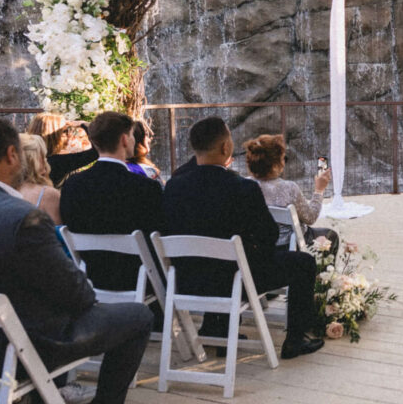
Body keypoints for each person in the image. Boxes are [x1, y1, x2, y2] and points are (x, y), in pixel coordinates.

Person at [0, 117, 151, 404]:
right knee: (137, 317)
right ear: (11, 155)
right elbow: (79, 297)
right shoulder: (23, 217)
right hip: (16, 348)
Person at [161, 115, 323, 359]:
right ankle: (295, 340)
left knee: (219, 260)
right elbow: (268, 236)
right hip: (234, 282)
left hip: (187, 281)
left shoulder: (174, 186)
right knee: (303, 263)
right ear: (225, 147)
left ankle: (217, 328)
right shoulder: (243, 189)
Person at [60, 111, 164, 293]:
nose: (133, 140)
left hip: (92, 278)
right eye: (132, 135)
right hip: (139, 281)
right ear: (125, 140)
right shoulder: (145, 188)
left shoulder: (72, 186)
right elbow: (158, 232)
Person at [244, 133, 336, 250]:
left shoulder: (244, 185)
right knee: (331, 236)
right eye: (283, 158)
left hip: (257, 245)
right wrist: (319, 190)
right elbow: (310, 218)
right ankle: (320, 268)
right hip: (288, 245)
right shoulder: (289, 188)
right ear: (276, 164)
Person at [27, 113, 98, 186]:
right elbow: (97, 151)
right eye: (65, 131)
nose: (69, 135)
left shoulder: (27, 156)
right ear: (55, 137)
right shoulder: (59, 162)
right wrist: (83, 124)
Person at [17, 133, 61, 223]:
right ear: (34, 160)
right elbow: (58, 230)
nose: (46, 161)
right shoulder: (47, 195)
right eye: (43, 156)